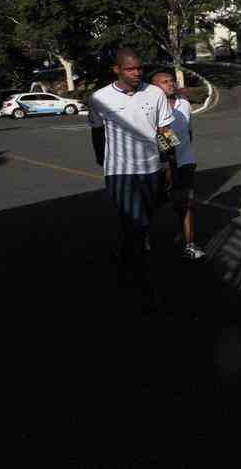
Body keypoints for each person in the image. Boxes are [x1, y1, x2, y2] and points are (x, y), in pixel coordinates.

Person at [88, 48, 176, 307]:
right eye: (130, 69)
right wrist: (101, 159)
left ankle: (128, 256)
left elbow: (164, 129)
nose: (137, 73)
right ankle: (140, 280)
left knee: (144, 221)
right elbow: (96, 133)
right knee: (135, 223)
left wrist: (170, 162)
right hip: (120, 171)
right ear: (116, 70)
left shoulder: (155, 93)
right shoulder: (100, 98)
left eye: (139, 68)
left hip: (150, 169)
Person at [150, 72, 206, 261]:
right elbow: (161, 135)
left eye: (172, 81)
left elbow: (189, 133)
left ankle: (189, 244)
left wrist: (185, 157)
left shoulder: (185, 105)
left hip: (184, 163)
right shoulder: (151, 108)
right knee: (153, 205)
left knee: (186, 203)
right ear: (155, 87)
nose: (170, 84)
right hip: (160, 165)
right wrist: (167, 162)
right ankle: (145, 239)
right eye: (164, 82)